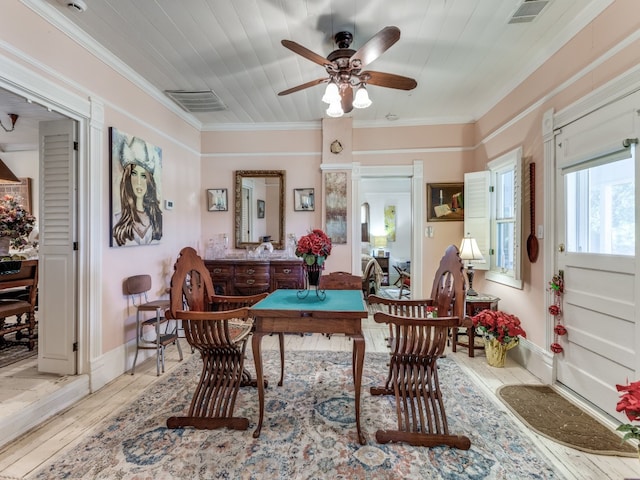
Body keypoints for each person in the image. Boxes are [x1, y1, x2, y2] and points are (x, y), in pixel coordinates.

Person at [112, 136, 162, 246]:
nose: (139, 182)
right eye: (134, 174)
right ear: (128, 178)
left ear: (148, 182)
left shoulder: (156, 218)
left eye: (143, 176)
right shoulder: (116, 219)